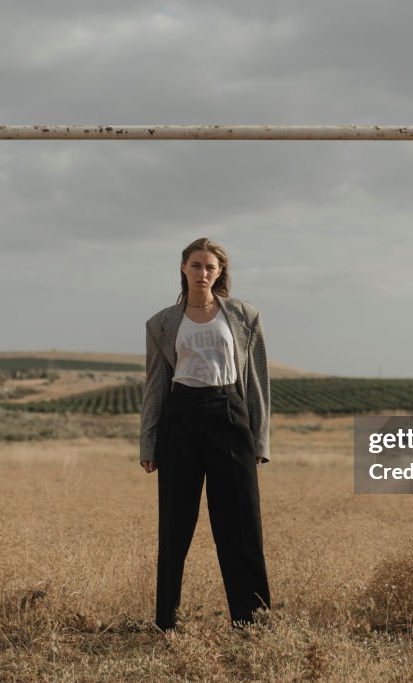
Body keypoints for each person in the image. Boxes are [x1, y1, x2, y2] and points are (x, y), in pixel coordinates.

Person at [140, 237, 271, 631]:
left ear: (220, 272)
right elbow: (155, 385)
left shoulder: (244, 316)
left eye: (210, 267)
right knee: (175, 526)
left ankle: (252, 622)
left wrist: (260, 439)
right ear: (184, 268)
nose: (203, 273)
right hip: (179, 420)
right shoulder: (161, 322)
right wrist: (148, 442)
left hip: (229, 416)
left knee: (241, 525)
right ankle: (167, 623)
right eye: (196, 265)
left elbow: (258, 380)